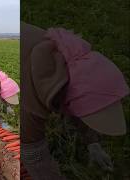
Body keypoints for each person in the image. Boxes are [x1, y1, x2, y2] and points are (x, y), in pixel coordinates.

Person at [22, 22, 129, 179]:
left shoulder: (72, 63)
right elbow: (34, 154)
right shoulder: (30, 99)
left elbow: (78, 97)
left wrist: (93, 144)